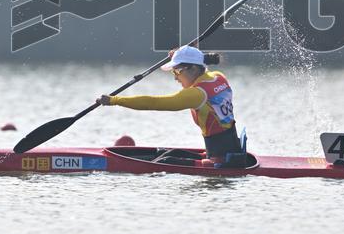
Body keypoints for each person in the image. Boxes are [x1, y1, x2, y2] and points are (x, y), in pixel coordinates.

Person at [96, 45, 243, 165]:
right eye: (173, 71)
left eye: (177, 71)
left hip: (219, 162)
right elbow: (199, 63)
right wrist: (181, 55)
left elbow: (153, 103)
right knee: (168, 154)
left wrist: (114, 100)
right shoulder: (218, 77)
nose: (175, 77)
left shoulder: (197, 94)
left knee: (165, 161)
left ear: (193, 68)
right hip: (231, 152)